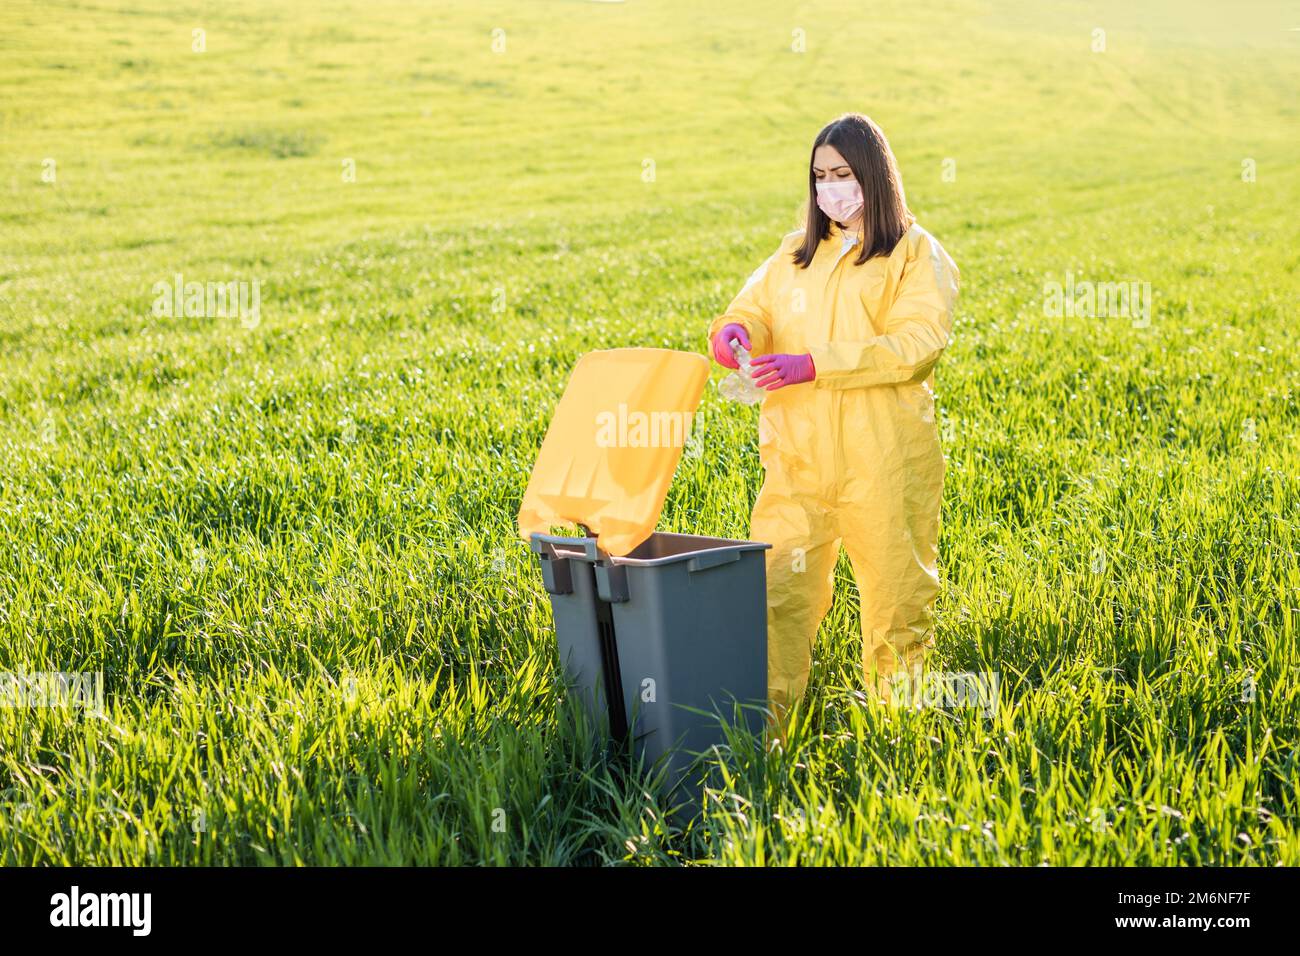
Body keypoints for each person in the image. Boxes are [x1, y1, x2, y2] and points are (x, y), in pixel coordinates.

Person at [708, 112, 960, 724]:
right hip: (798, 460)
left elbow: (915, 344)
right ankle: (765, 733)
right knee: (776, 599)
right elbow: (753, 307)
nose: (830, 188)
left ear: (874, 175)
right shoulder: (798, 254)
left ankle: (898, 734)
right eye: (820, 175)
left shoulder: (916, 254)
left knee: (897, 601)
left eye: (843, 173)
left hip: (884, 458)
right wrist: (734, 331)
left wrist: (812, 365)